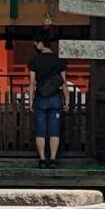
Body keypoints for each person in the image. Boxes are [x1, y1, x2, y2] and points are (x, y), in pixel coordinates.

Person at [28, 37, 71, 169]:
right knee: (54, 130)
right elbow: (63, 81)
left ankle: (42, 159)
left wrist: (30, 100)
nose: (35, 44)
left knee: (40, 130)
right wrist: (67, 98)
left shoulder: (34, 61)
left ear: (41, 43)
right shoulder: (59, 61)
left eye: (36, 42)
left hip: (41, 97)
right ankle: (52, 159)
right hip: (56, 97)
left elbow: (32, 82)